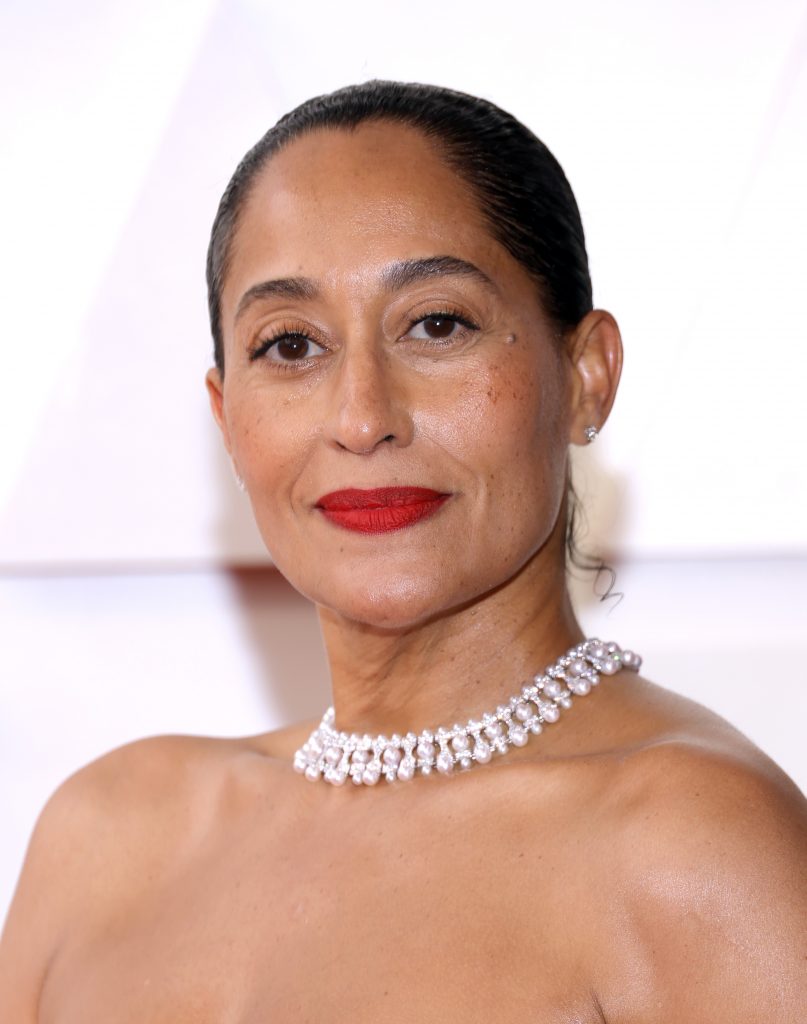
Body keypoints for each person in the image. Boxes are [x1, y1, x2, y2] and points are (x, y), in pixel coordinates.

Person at [1, 80, 804, 1021]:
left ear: (586, 375)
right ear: (225, 416)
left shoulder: (696, 851)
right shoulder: (102, 838)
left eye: (436, 324)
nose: (361, 418)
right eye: (290, 345)